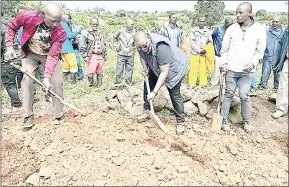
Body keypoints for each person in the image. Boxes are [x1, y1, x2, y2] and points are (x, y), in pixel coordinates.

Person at [4, 2, 66, 129]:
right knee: (27, 81)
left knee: (56, 82)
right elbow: (11, 27)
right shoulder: (27, 16)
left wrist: (47, 77)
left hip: (48, 55)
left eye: (58, 21)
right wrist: (9, 47)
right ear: (43, 14)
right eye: (52, 20)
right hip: (30, 54)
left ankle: (59, 115)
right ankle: (28, 116)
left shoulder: (60, 32)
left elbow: (53, 56)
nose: (55, 24)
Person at [219, 2, 266, 133]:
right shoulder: (231, 29)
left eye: (241, 13)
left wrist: (253, 62)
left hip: (247, 71)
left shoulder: (259, 30)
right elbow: (224, 50)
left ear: (249, 13)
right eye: (236, 12)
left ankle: (246, 121)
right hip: (232, 69)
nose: (237, 15)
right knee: (228, 93)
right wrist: (224, 63)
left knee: (244, 95)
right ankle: (224, 120)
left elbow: (260, 51)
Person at [134, 31, 189, 135]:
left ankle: (180, 121)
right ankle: (148, 110)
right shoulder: (141, 45)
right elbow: (142, 56)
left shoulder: (161, 47)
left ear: (148, 39)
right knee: (148, 84)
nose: (143, 49)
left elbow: (164, 72)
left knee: (174, 93)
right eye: (140, 47)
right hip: (156, 64)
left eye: (144, 46)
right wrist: (145, 67)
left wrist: (154, 92)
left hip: (174, 68)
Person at [1, 12, 22, 115]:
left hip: (7, 58)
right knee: (16, 81)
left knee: (9, 83)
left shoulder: (1, 26)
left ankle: (17, 106)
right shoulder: (8, 23)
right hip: (17, 55)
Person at [79, 17, 107, 87]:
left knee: (100, 70)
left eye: (96, 24)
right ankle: (91, 86)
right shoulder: (85, 33)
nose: (95, 26)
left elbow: (104, 44)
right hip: (92, 55)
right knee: (91, 71)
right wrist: (85, 56)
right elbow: (82, 45)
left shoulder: (100, 32)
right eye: (93, 24)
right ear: (90, 24)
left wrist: (105, 54)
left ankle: (99, 86)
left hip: (101, 55)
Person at [258, 16, 285, 90]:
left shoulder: (284, 32)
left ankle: (277, 87)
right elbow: (262, 43)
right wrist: (261, 55)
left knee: (278, 72)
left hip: (279, 56)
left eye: (277, 22)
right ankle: (262, 86)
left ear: (280, 22)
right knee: (265, 72)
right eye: (273, 21)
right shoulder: (267, 31)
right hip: (268, 55)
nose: (275, 23)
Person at [189, 17, 215, 87]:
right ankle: (192, 84)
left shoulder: (208, 31)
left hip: (203, 54)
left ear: (205, 22)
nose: (201, 22)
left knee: (203, 70)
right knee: (193, 70)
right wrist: (199, 50)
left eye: (203, 21)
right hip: (194, 53)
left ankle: (203, 85)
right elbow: (192, 42)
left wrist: (207, 49)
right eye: (200, 21)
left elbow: (210, 42)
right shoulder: (194, 30)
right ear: (198, 21)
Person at [210, 17, 233, 86]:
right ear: (225, 24)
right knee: (217, 69)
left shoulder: (233, 30)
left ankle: (224, 84)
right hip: (218, 53)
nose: (229, 27)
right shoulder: (218, 29)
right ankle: (214, 83)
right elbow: (212, 37)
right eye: (228, 25)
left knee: (226, 70)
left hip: (228, 54)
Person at [113, 18, 136, 85]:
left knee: (129, 69)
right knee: (119, 69)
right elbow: (114, 38)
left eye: (133, 24)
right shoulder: (120, 31)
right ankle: (118, 81)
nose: (132, 25)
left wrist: (134, 51)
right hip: (121, 54)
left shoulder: (134, 33)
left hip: (130, 55)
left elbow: (135, 43)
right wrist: (117, 46)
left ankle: (129, 81)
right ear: (126, 24)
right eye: (130, 24)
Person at [272, 28, 288, 119]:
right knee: (283, 85)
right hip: (287, 61)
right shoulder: (286, 31)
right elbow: (279, 45)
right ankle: (281, 109)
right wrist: (276, 61)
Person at [60, 14, 81, 83]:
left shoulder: (58, 24)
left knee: (65, 65)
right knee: (73, 65)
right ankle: (73, 82)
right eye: (68, 18)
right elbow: (69, 36)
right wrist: (77, 31)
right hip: (68, 48)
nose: (69, 20)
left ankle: (65, 81)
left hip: (61, 49)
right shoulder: (64, 24)